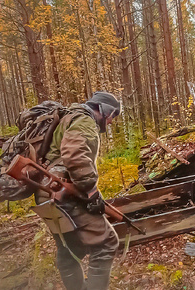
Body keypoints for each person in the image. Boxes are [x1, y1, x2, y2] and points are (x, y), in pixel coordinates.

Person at [34, 91, 121, 290]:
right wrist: (91, 190)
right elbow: (74, 155)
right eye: (112, 116)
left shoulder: (69, 117)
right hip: (62, 191)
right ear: (104, 110)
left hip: (46, 192)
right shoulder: (85, 121)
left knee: (69, 248)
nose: (111, 122)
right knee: (106, 243)